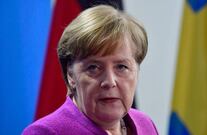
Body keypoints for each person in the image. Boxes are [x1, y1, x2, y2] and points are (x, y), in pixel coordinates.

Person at [22, 5, 158, 135]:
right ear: (71, 74)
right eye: (93, 68)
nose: (110, 81)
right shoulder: (45, 133)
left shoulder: (145, 125)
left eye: (121, 67)